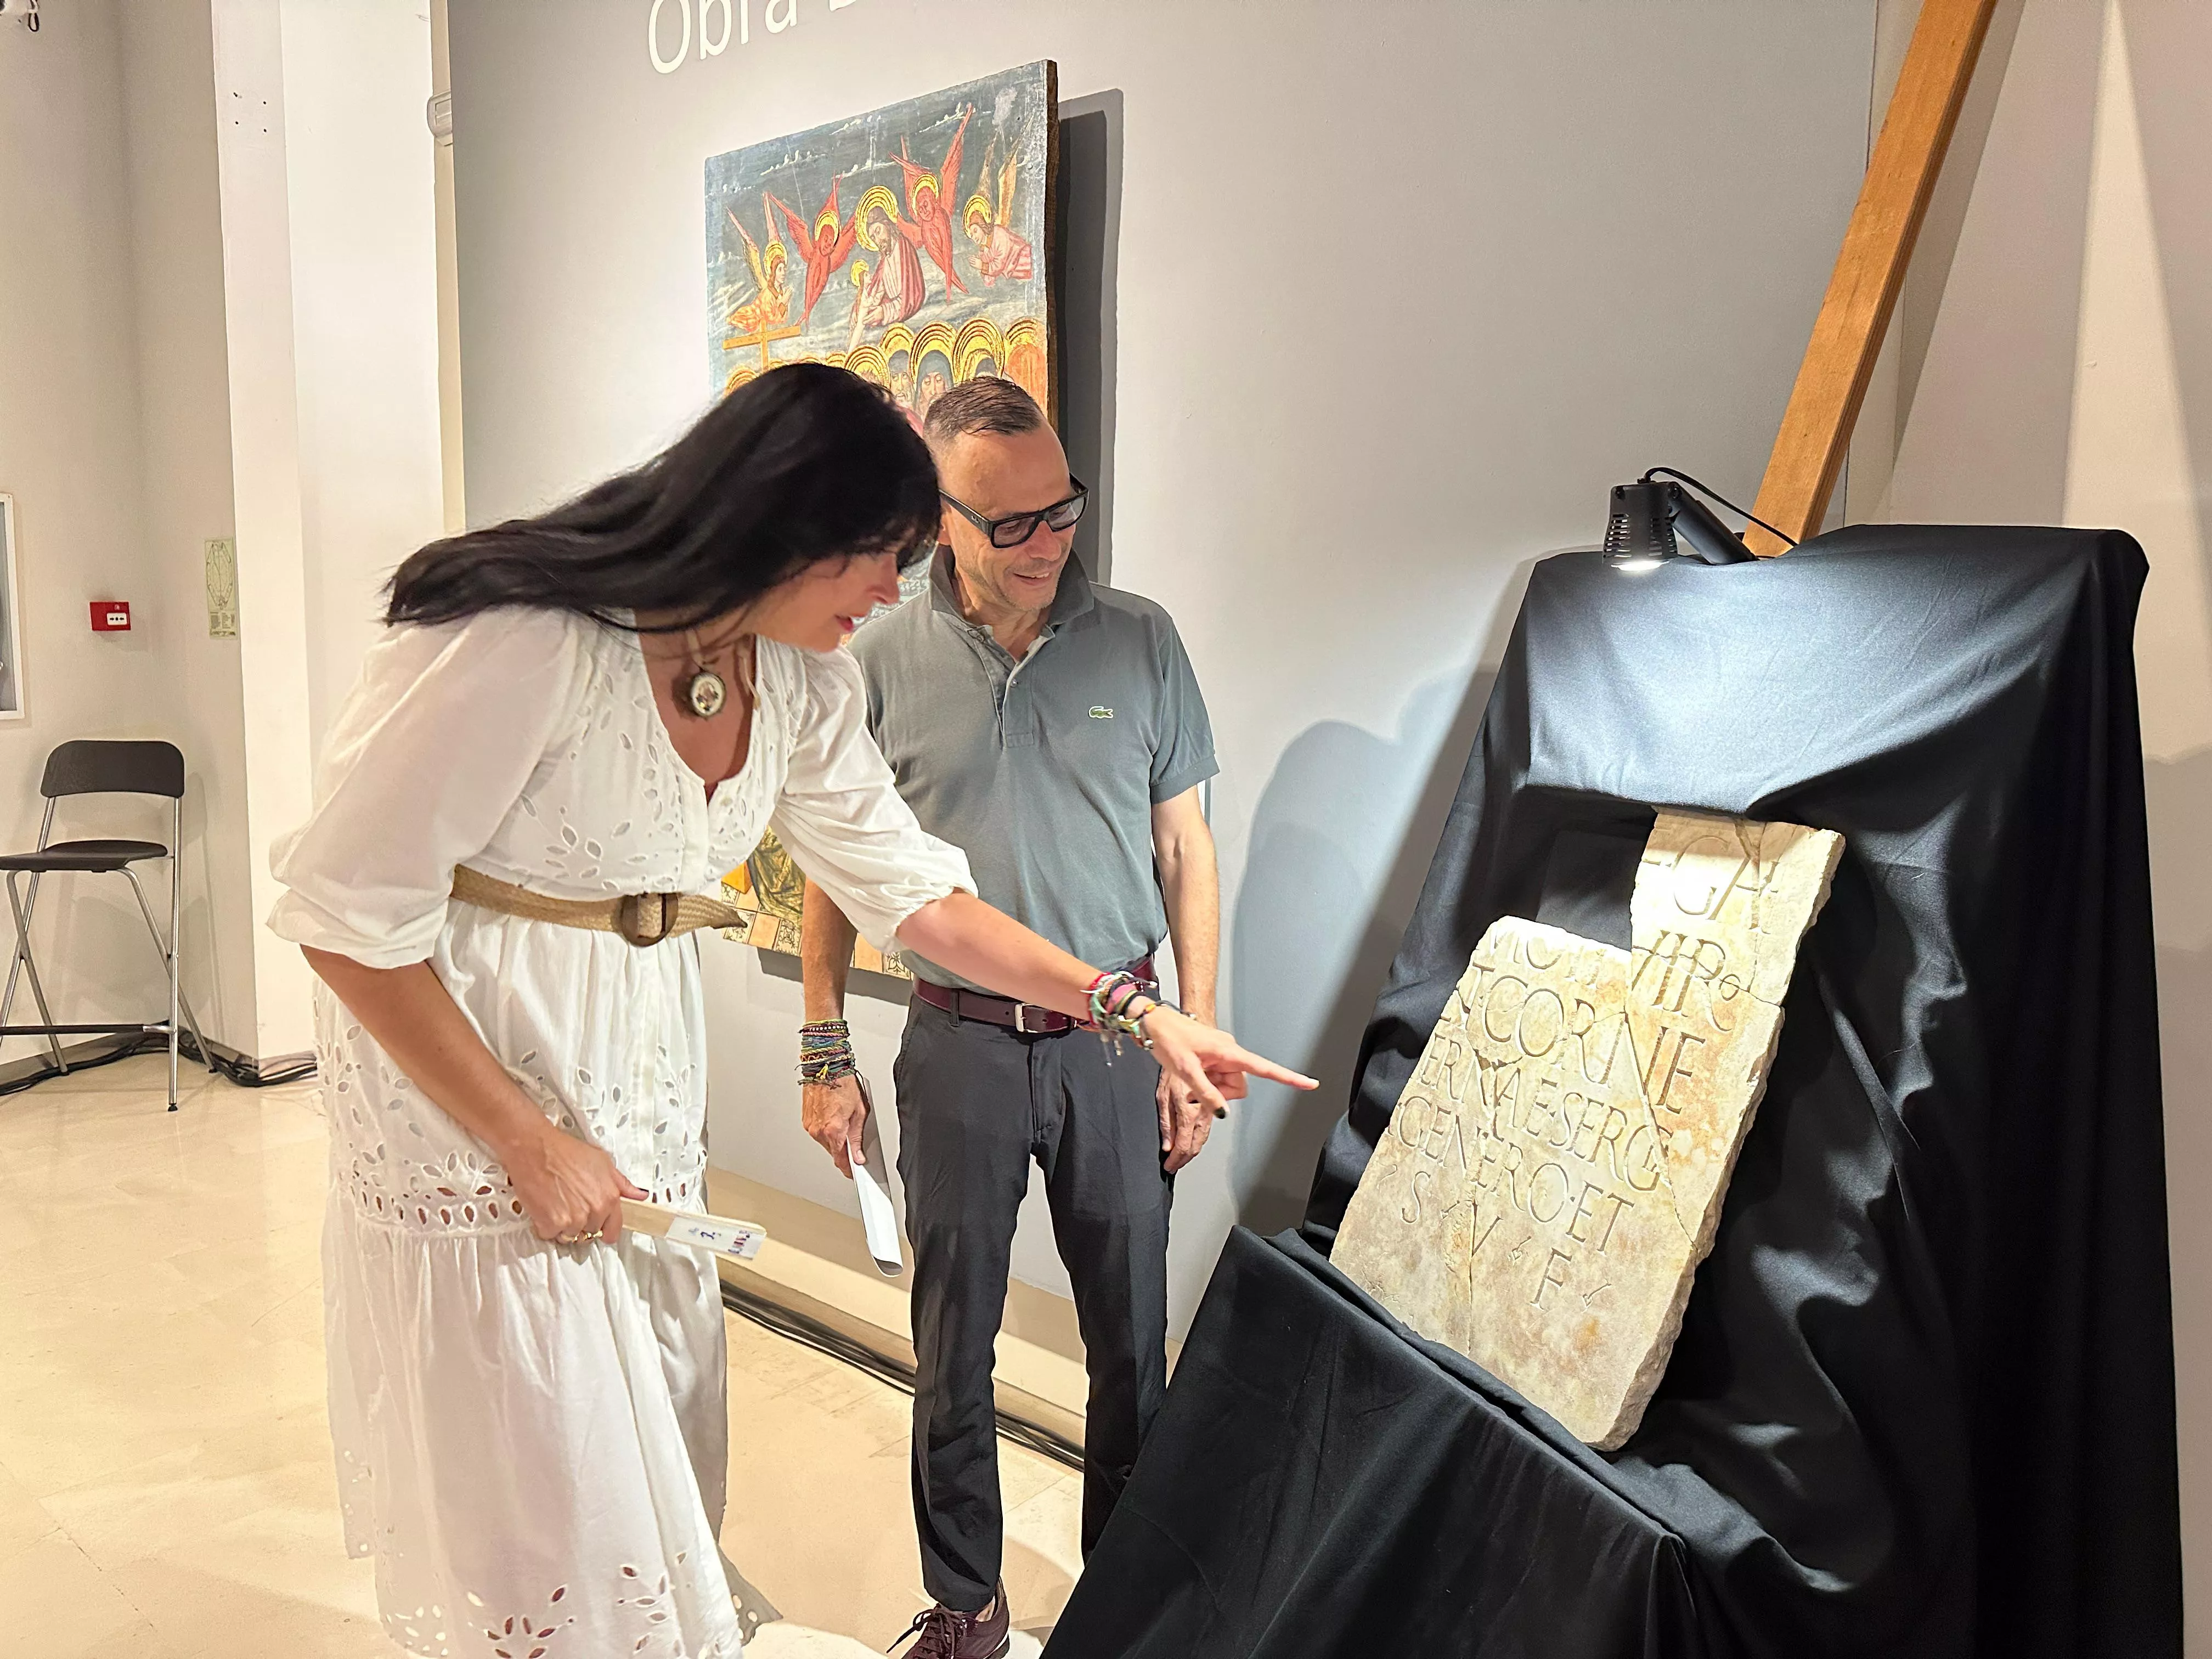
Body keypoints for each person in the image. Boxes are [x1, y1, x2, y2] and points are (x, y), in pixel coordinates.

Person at [267, 364, 1312, 1659]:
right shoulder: (534, 640)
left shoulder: (804, 687)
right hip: (474, 1081)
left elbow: (919, 898)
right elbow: (345, 916)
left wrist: (1132, 1010)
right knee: (542, 1460)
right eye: (879, 557)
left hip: (633, 1072)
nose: (892, 589)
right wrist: (522, 1140)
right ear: (779, 524)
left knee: (660, 1428)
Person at [800, 377, 1228, 1658]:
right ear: (942, 521)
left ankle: (1121, 1607)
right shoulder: (873, 658)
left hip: (1118, 1044)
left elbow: (1185, 852)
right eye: (1013, 525)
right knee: (952, 1348)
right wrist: (825, 1048)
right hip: (957, 1043)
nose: (1049, 544)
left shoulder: (1142, 641)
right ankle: (968, 1606)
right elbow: (836, 866)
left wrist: (1193, 1041)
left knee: (1129, 1352)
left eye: (1064, 512)